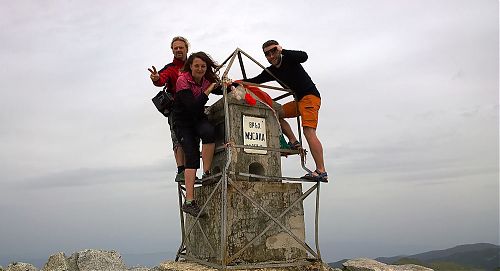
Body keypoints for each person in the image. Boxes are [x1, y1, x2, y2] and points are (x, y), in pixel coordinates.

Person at [243, 40, 328, 182]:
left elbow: (304, 56)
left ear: (278, 49)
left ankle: (321, 171)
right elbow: (255, 80)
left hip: (310, 97)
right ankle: (293, 141)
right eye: (267, 54)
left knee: (308, 131)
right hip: (299, 101)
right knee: (275, 113)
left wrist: (283, 51)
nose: (271, 55)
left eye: (273, 51)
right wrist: (234, 82)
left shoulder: (289, 59)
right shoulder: (272, 71)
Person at [172, 52, 221, 217]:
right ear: (190, 66)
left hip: (197, 119)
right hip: (183, 122)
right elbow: (192, 107)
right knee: (191, 154)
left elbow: (219, 89)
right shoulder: (183, 80)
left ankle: (206, 174)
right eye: (197, 66)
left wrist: (230, 86)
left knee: (209, 133)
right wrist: (207, 91)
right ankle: (189, 202)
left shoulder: (207, 80)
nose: (200, 69)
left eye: (203, 66)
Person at [148, 36, 189, 183]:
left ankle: (191, 170)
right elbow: (161, 79)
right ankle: (181, 170)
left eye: (181, 47)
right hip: (176, 109)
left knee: (192, 139)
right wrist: (156, 78)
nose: (178, 50)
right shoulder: (170, 68)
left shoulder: (194, 65)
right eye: (175, 47)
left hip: (193, 108)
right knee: (177, 139)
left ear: (186, 49)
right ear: (172, 50)